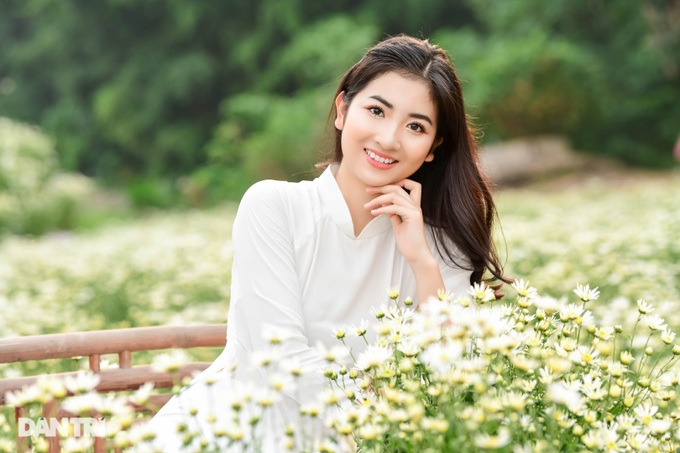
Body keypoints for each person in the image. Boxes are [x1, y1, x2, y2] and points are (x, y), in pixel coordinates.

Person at [144, 34, 507, 452]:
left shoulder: (441, 248)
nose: (389, 138)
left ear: (432, 148)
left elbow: (455, 380)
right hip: (231, 434)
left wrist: (422, 263)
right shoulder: (274, 207)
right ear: (342, 110)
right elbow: (281, 358)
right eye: (376, 110)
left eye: (415, 126)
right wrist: (384, 416)